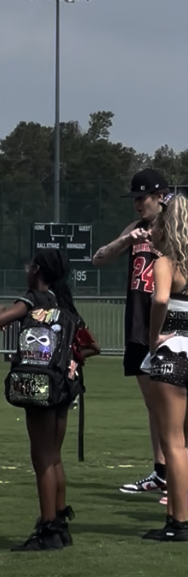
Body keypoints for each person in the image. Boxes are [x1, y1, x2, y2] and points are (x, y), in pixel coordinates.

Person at [0, 249, 100, 550]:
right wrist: (69, 361)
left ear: (37, 270)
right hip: (62, 386)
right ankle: (60, 522)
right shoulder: (63, 305)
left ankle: (47, 527)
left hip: (37, 384)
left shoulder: (31, 300)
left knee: (41, 459)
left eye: (30, 265)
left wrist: (2, 306)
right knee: (53, 457)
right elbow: (92, 347)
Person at [92, 168, 169, 495]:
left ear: (160, 197)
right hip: (139, 326)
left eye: (143, 198)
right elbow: (99, 259)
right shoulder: (137, 229)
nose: (137, 204)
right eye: (135, 198)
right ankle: (162, 471)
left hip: (169, 326)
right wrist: (126, 240)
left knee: (173, 406)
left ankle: (177, 476)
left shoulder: (175, 230)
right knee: (154, 406)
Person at [142, 193, 188, 541]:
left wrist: (154, 334)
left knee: (173, 442)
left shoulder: (164, 262)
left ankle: (179, 522)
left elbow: (159, 299)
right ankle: (175, 516)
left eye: (156, 223)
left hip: (172, 355)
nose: (151, 229)